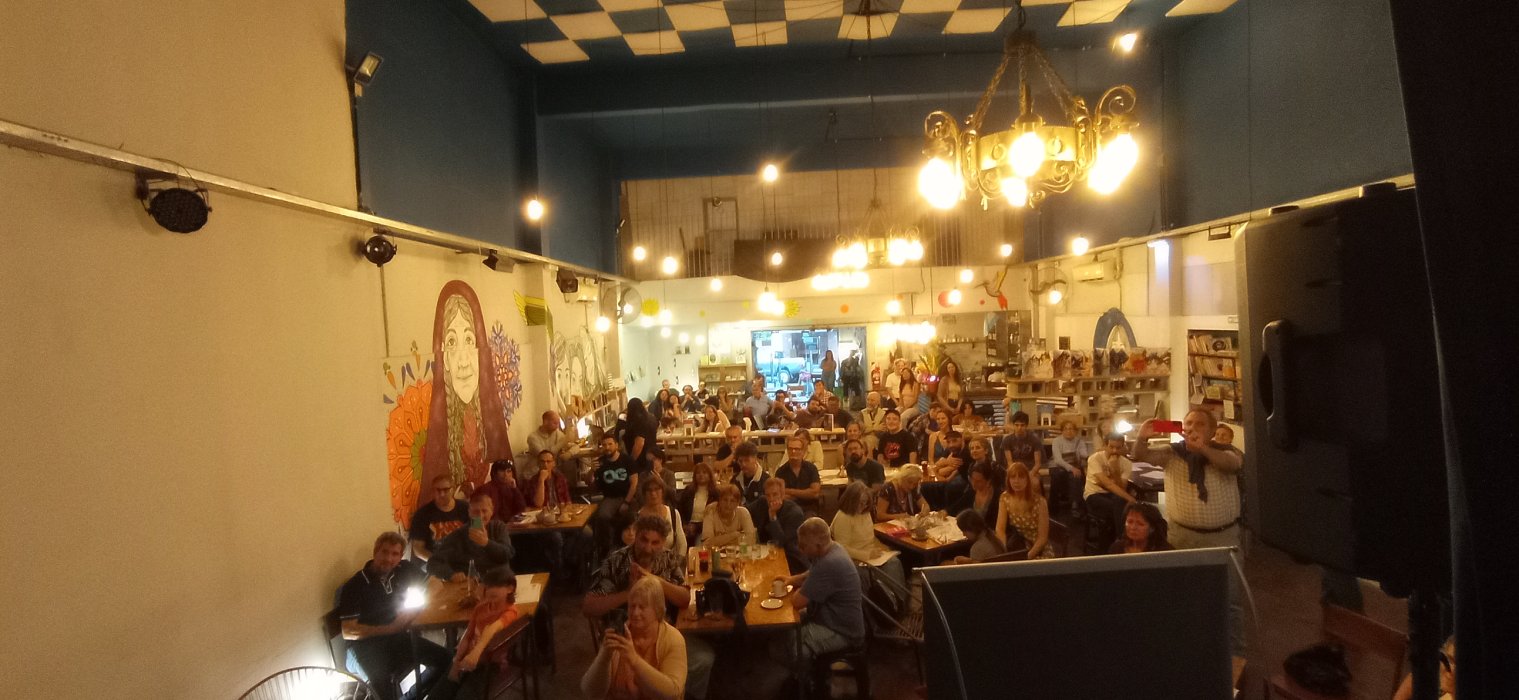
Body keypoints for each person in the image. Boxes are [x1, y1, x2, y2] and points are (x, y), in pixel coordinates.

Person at [1134, 410, 1246, 653]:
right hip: (1182, 537)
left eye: (1200, 424)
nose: (1193, 427)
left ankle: (1235, 657)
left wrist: (1202, 449)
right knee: (1182, 596)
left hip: (1223, 538)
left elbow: (1230, 466)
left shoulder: (1228, 451)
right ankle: (1187, 649)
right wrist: (1142, 437)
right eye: (1189, 423)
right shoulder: (1172, 453)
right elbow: (1139, 455)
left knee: (1229, 600)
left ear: (1212, 430)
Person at [583, 515, 713, 700]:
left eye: (655, 543)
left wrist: (655, 581)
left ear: (663, 543)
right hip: (622, 635)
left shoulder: (667, 558)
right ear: (635, 536)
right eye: (643, 540)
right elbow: (589, 607)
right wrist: (629, 593)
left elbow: (685, 598)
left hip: (661, 634)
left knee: (703, 659)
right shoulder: (616, 562)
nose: (648, 548)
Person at [420, 282, 512, 513]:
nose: (463, 362)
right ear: (444, 358)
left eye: (470, 340)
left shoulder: (489, 422)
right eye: (451, 343)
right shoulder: (441, 431)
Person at [338, 532, 451, 700]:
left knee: (446, 659)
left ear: (400, 557)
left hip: (396, 638)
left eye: (395, 554)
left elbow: (435, 583)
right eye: (384, 552)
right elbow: (348, 631)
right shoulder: (355, 585)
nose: (389, 559)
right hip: (364, 646)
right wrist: (390, 628)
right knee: (383, 687)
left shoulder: (402, 569)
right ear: (375, 552)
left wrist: (415, 609)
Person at [769, 518, 866, 689]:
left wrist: (796, 589)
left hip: (843, 630)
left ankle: (809, 683)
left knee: (792, 645)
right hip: (834, 618)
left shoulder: (829, 563)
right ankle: (806, 674)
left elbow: (797, 602)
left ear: (818, 545)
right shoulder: (833, 549)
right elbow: (811, 573)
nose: (800, 549)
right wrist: (792, 579)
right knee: (784, 634)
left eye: (803, 546)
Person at [581, 575, 689, 700]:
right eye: (632, 606)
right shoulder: (619, 634)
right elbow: (590, 692)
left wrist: (634, 660)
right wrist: (605, 656)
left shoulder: (673, 639)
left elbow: (673, 693)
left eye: (642, 607)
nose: (635, 613)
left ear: (657, 609)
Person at [431, 566, 520, 700]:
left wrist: (476, 653)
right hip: (467, 658)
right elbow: (468, 635)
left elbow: (492, 628)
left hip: (490, 664)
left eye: (496, 586)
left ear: (510, 589)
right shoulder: (481, 607)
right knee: (439, 694)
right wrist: (457, 661)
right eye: (488, 586)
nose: (490, 590)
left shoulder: (510, 612)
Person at [830, 481, 905, 588]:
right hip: (853, 558)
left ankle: (897, 597)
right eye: (860, 503)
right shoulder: (843, 517)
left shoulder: (865, 513)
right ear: (851, 501)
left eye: (865, 503)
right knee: (865, 574)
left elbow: (870, 538)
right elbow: (842, 548)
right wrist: (867, 554)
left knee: (894, 563)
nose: (863, 506)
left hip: (869, 553)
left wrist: (882, 548)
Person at [428, 490, 516, 580]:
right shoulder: (459, 534)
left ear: (491, 511)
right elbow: (433, 563)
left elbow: (507, 554)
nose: (480, 516)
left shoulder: (498, 527)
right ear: (469, 513)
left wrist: (486, 543)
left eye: (484, 511)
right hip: (469, 583)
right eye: (476, 512)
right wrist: (451, 574)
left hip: (498, 581)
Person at [1085, 434, 1139, 553]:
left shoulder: (1126, 463)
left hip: (1113, 496)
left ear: (1123, 447)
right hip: (1094, 494)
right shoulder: (1095, 459)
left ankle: (1112, 546)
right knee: (1121, 507)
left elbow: (1121, 488)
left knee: (1119, 505)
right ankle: (1122, 539)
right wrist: (1131, 499)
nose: (1114, 451)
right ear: (1105, 446)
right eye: (1111, 447)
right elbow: (1108, 485)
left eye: (1118, 448)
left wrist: (1115, 471)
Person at [996, 462, 1053, 559]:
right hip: (1017, 544)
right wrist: (1004, 551)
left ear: (1027, 479)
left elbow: (1042, 538)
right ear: (1008, 480)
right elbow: (1000, 529)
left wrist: (1026, 557)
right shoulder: (1005, 497)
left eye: (1021, 477)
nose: (1016, 481)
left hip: (1037, 548)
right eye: (1013, 477)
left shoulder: (1040, 502)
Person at [752, 477, 808, 572]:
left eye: (775, 494)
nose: (771, 499)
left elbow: (781, 543)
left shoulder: (794, 513)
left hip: (790, 560)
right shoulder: (762, 502)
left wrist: (773, 516)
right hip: (764, 556)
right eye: (768, 495)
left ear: (782, 495)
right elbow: (744, 510)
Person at [593, 434, 637, 552]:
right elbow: (591, 484)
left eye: (610, 444)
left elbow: (634, 483)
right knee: (602, 517)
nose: (607, 447)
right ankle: (608, 549)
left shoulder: (627, 460)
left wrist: (626, 502)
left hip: (628, 496)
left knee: (633, 518)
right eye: (604, 445)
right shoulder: (600, 462)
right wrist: (591, 471)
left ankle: (634, 546)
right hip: (610, 498)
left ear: (617, 445)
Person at [409, 475, 468, 562]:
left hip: (463, 561)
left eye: (446, 490)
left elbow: (478, 529)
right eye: (438, 490)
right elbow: (418, 549)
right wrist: (437, 562)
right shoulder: (422, 514)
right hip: (435, 562)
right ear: (433, 491)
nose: (442, 494)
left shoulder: (468, 509)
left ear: (453, 489)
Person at [635, 477, 687, 555]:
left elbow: (682, 544)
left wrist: (678, 560)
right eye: (649, 490)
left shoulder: (673, 513)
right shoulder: (638, 517)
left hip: (670, 560)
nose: (653, 493)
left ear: (663, 491)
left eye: (656, 489)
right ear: (644, 494)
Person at [923, 428, 971, 510]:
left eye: (954, 441)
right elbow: (939, 464)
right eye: (948, 442)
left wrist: (936, 470)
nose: (951, 445)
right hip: (951, 480)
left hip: (963, 484)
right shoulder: (952, 450)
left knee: (928, 488)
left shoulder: (965, 454)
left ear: (962, 440)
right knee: (925, 486)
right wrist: (946, 463)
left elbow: (945, 479)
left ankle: (942, 511)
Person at [1049, 419, 1091, 509]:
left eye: (1071, 429)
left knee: (1076, 476)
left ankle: (1075, 505)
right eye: (1066, 429)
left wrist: (1086, 456)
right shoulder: (1056, 441)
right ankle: (1053, 505)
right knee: (1056, 475)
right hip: (1058, 466)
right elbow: (1058, 460)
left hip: (1074, 465)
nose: (1068, 431)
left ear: (1075, 431)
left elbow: (1084, 454)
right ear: (1062, 431)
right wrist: (1071, 468)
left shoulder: (1080, 441)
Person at [775, 436, 823, 514]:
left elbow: (814, 493)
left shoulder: (811, 469)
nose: (793, 451)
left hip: (809, 509)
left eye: (797, 449)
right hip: (789, 510)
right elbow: (780, 497)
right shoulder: (780, 472)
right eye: (790, 449)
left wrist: (790, 491)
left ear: (803, 451)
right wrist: (805, 494)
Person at [948, 459, 1001, 528]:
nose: (974, 484)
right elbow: (959, 505)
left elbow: (995, 524)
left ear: (988, 481)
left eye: (978, 481)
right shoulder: (972, 491)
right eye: (972, 479)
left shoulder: (997, 497)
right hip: (972, 529)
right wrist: (945, 511)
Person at [474, 459, 528, 524]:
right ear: (494, 473)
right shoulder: (485, 489)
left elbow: (522, 508)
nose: (506, 474)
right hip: (491, 527)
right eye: (502, 471)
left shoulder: (511, 488)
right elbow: (476, 517)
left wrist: (515, 489)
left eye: (508, 471)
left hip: (510, 525)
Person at [678, 462, 717, 545]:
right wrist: (684, 525)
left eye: (704, 472)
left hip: (705, 528)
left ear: (710, 475)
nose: (701, 475)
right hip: (687, 526)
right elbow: (680, 508)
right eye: (698, 473)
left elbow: (716, 516)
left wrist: (696, 527)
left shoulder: (715, 493)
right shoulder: (688, 490)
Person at [623, 398, 658, 475]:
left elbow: (639, 443)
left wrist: (631, 461)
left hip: (641, 457)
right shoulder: (651, 417)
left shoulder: (638, 420)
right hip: (652, 453)